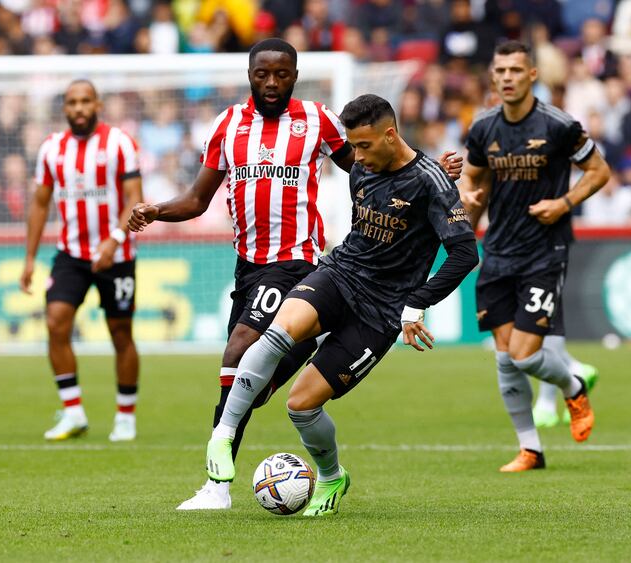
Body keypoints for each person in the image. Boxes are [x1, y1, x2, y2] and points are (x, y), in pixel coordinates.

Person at [128, 38, 461, 510]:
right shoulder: (226, 126)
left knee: (241, 346)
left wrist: (432, 171)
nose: (271, 82)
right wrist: (155, 210)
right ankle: (296, 355)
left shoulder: (319, 121)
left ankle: (216, 483)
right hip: (248, 266)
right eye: (262, 74)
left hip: (298, 261)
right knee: (252, 384)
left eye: (281, 74)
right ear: (249, 75)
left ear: (295, 75)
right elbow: (197, 200)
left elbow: (374, 159)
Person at [204, 93, 479, 516]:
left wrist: (416, 304)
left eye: (365, 146)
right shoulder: (362, 170)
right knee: (279, 329)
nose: (357, 157)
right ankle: (222, 435)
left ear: (391, 134)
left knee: (301, 404)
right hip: (341, 273)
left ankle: (331, 477)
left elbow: (464, 254)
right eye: (352, 146)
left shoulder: (433, 183)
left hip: (382, 310)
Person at [459, 41, 610, 472]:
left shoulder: (559, 125)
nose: (506, 77)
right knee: (505, 358)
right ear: (493, 77)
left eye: (515, 70)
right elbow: (472, 177)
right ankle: (531, 449)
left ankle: (573, 385)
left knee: (524, 354)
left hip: (545, 251)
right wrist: (467, 201)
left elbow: (599, 171)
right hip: (499, 251)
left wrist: (563, 204)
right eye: (500, 70)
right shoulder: (483, 126)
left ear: (532, 76)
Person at [20, 80, 143, 443]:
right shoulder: (52, 149)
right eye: (72, 102)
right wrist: (29, 258)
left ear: (98, 104)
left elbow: (134, 198)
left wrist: (115, 239)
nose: (79, 108)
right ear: (65, 108)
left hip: (117, 255)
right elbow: (40, 203)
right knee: (56, 322)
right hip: (71, 254)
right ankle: (73, 411)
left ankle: (125, 415)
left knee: (121, 333)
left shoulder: (120, 143)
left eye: (85, 101)